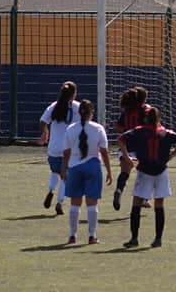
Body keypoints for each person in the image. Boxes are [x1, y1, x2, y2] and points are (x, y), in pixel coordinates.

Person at [119, 107, 176, 248]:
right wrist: (172, 155)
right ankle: (158, 239)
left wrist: (127, 157)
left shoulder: (139, 131)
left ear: (145, 119)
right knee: (159, 204)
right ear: (159, 119)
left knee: (136, 203)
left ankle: (134, 238)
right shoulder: (165, 132)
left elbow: (121, 139)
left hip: (144, 171)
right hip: (161, 171)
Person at [61, 99, 113, 245]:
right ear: (92, 113)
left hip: (75, 167)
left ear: (79, 112)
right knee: (92, 204)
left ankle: (72, 235)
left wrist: (64, 169)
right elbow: (104, 151)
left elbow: (66, 152)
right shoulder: (98, 128)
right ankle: (92, 236)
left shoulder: (71, 129)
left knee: (74, 204)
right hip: (93, 166)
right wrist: (109, 171)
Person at [37, 81, 80, 215]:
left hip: (54, 147)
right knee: (65, 176)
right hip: (68, 148)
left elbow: (43, 120)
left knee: (55, 172)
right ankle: (60, 203)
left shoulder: (55, 105)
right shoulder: (77, 107)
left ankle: (51, 191)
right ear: (74, 93)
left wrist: (45, 133)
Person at [112, 86, 152, 211]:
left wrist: (127, 128)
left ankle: (119, 190)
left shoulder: (127, 111)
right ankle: (144, 198)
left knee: (124, 172)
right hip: (141, 147)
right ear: (142, 99)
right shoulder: (145, 110)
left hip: (126, 146)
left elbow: (118, 126)